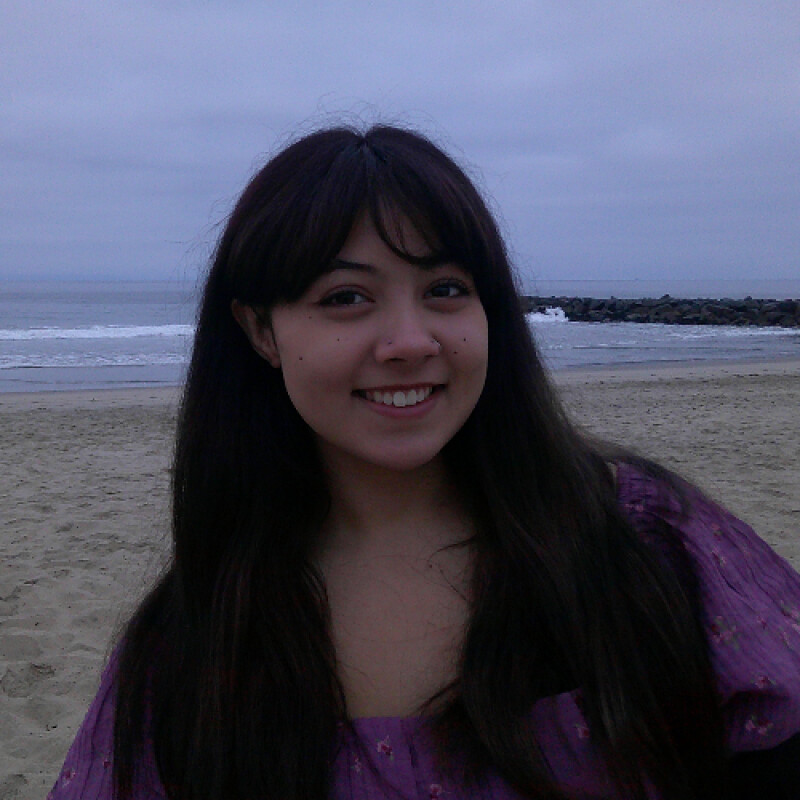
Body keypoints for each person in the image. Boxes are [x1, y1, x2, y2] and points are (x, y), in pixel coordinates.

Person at [49, 125, 800, 800]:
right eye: (347, 297)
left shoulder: (646, 544)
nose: (410, 341)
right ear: (261, 331)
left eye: (445, 289)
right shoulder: (198, 632)